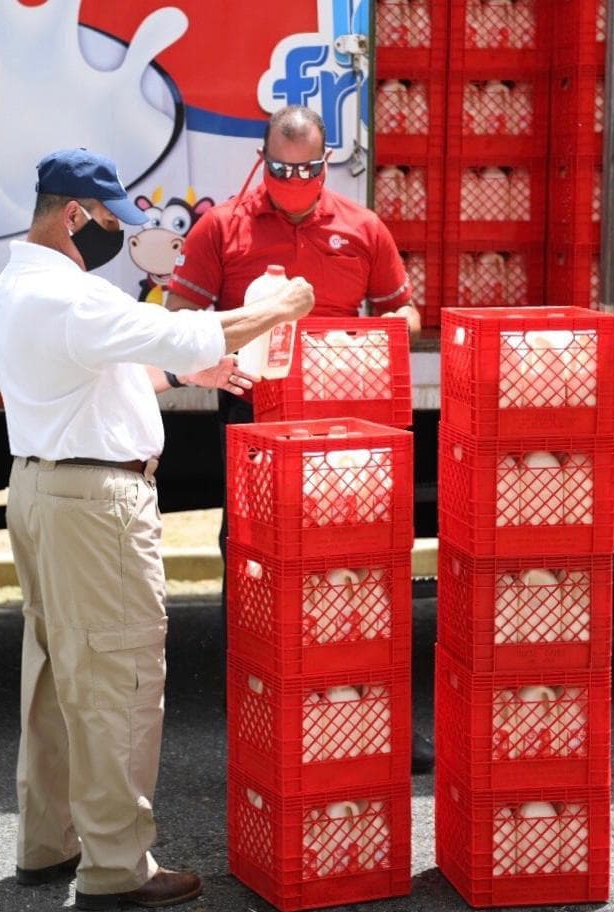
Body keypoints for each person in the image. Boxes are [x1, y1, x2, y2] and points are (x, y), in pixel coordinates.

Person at [0, 147, 313, 911]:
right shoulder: (70, 297)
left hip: (42, 488)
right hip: (95, 504)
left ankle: (49, 843)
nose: (121, 237)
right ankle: (117, 869)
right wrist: (281, 306)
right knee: (118, 680)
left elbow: (100, 370)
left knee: (56, 675)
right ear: (73, 214)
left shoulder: (18, 285)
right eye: (111, 221)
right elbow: (192, 333)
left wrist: (179, 374)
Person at [166, 105, 435, 775]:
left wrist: (377, 335)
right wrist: (229, 346)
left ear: (327, 162)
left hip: (348, 434)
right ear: (262, 161)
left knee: (359, 570)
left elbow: (405, 311)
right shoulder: (222, 227)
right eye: (281, 170)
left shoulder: (362, 227)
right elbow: (178, 317)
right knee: (256, 568)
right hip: (256, 427)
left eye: (307, 169)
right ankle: (257, 716)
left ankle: (379, 719)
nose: (294, 182)